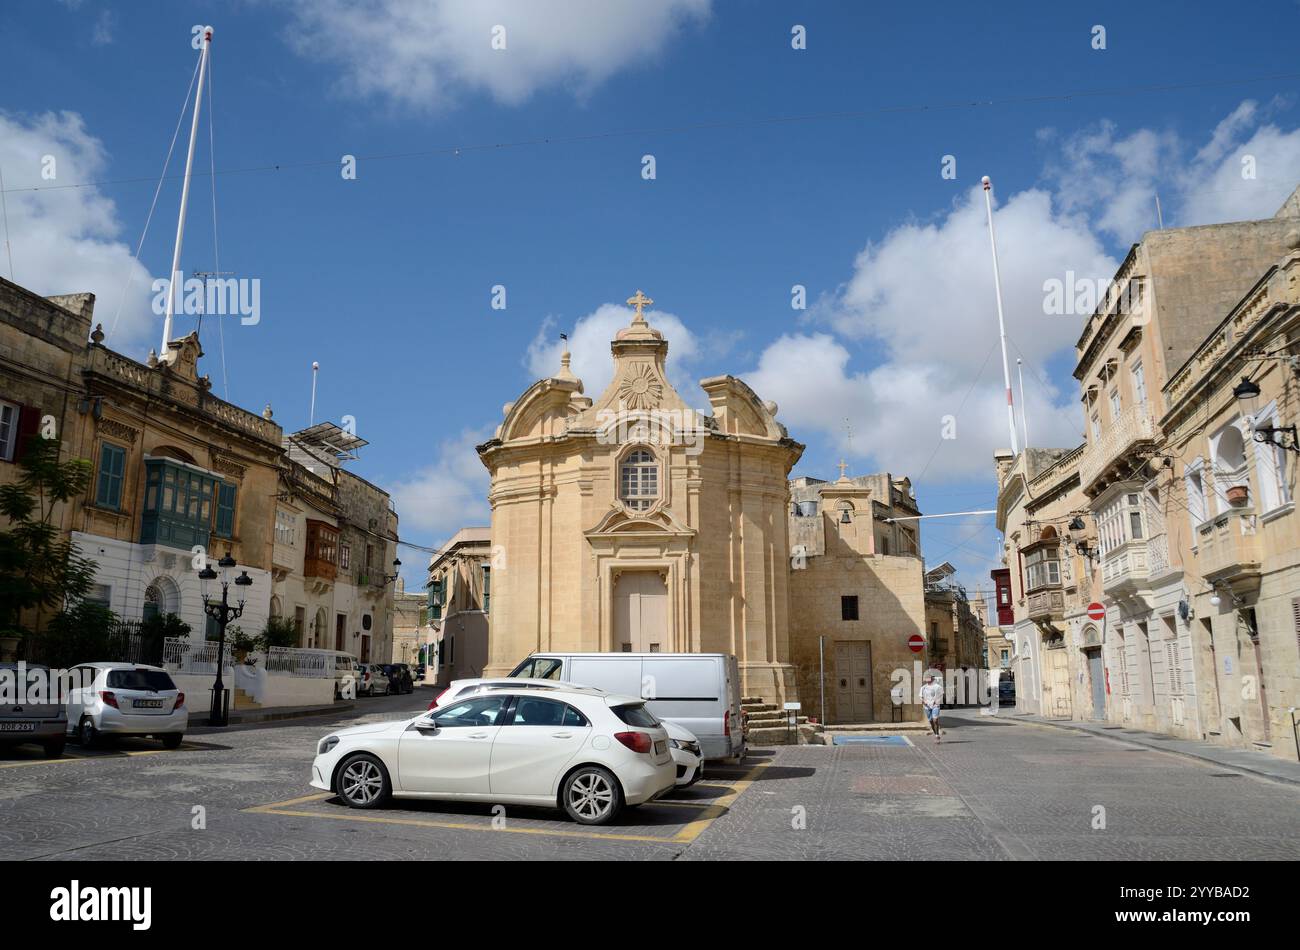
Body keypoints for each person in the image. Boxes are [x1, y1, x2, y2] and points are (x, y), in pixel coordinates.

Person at [920, 673, 944, 741]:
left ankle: (937, 735)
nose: (928, 680)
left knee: (935, 720)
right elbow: (921, 697)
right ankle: (936, 733)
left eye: (929, 678)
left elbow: (941, 694)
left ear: (932, 679)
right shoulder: (923, 688)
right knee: (931, 721)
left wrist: (937, 701)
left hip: (935, 706)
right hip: (927, 707)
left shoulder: (937, 687)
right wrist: (923, 701)